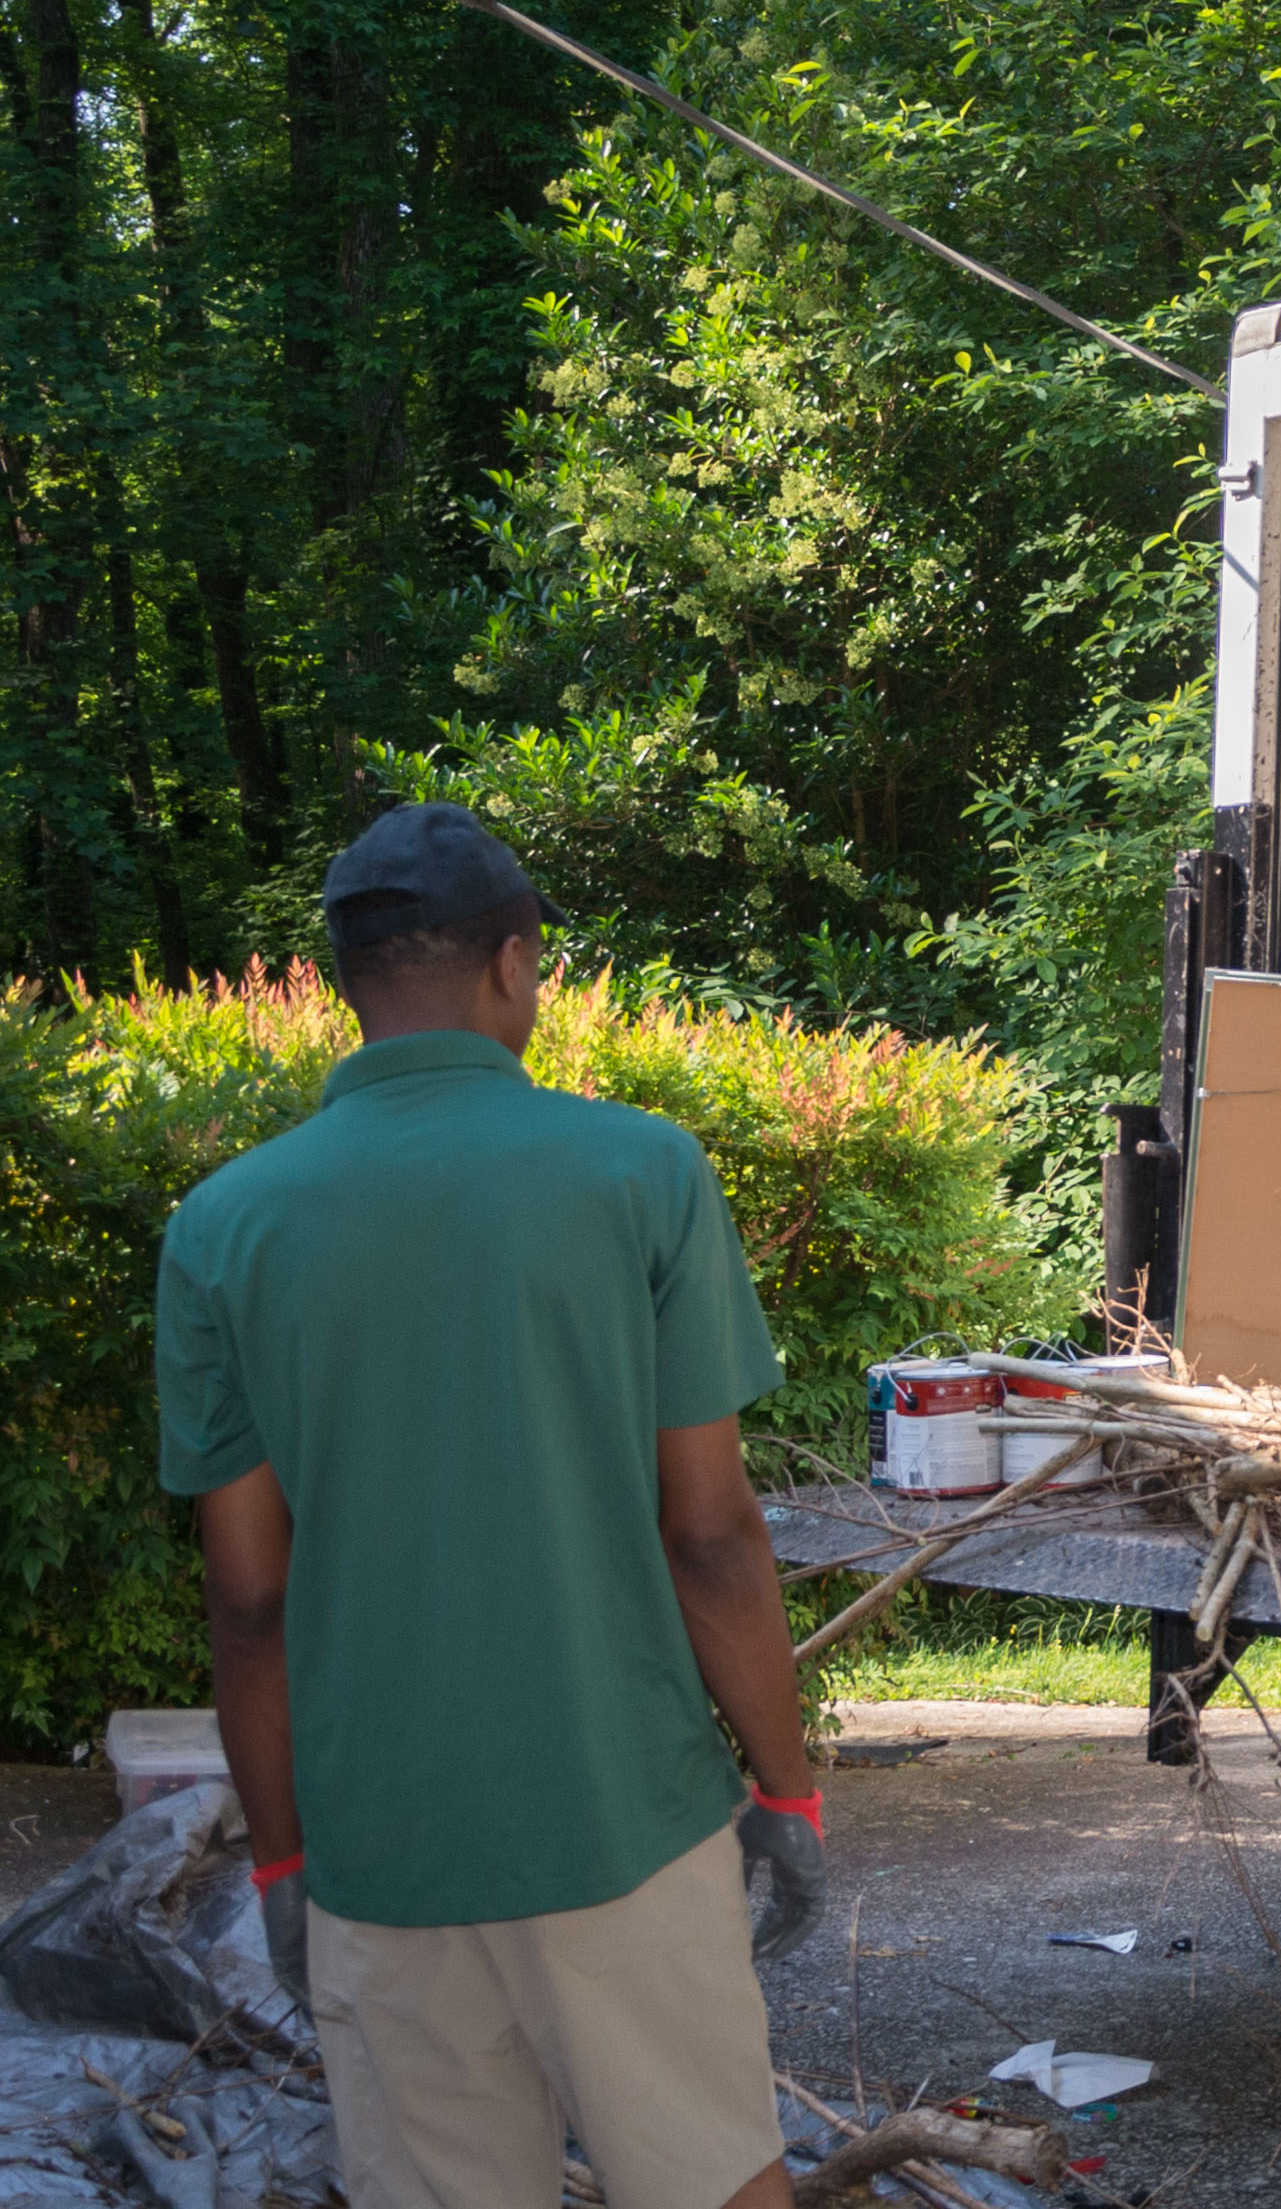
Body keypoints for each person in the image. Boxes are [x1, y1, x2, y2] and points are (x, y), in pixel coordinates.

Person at [156, 802, 828, 2209]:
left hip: (379, 1844)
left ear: (348, 983)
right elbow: (707, 1534)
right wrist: (782, 1782)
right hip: (621, 1817)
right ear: (517, 966)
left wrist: (284, 1857)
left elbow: (249, 1599)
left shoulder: (225, 1225)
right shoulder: (641, 1172)